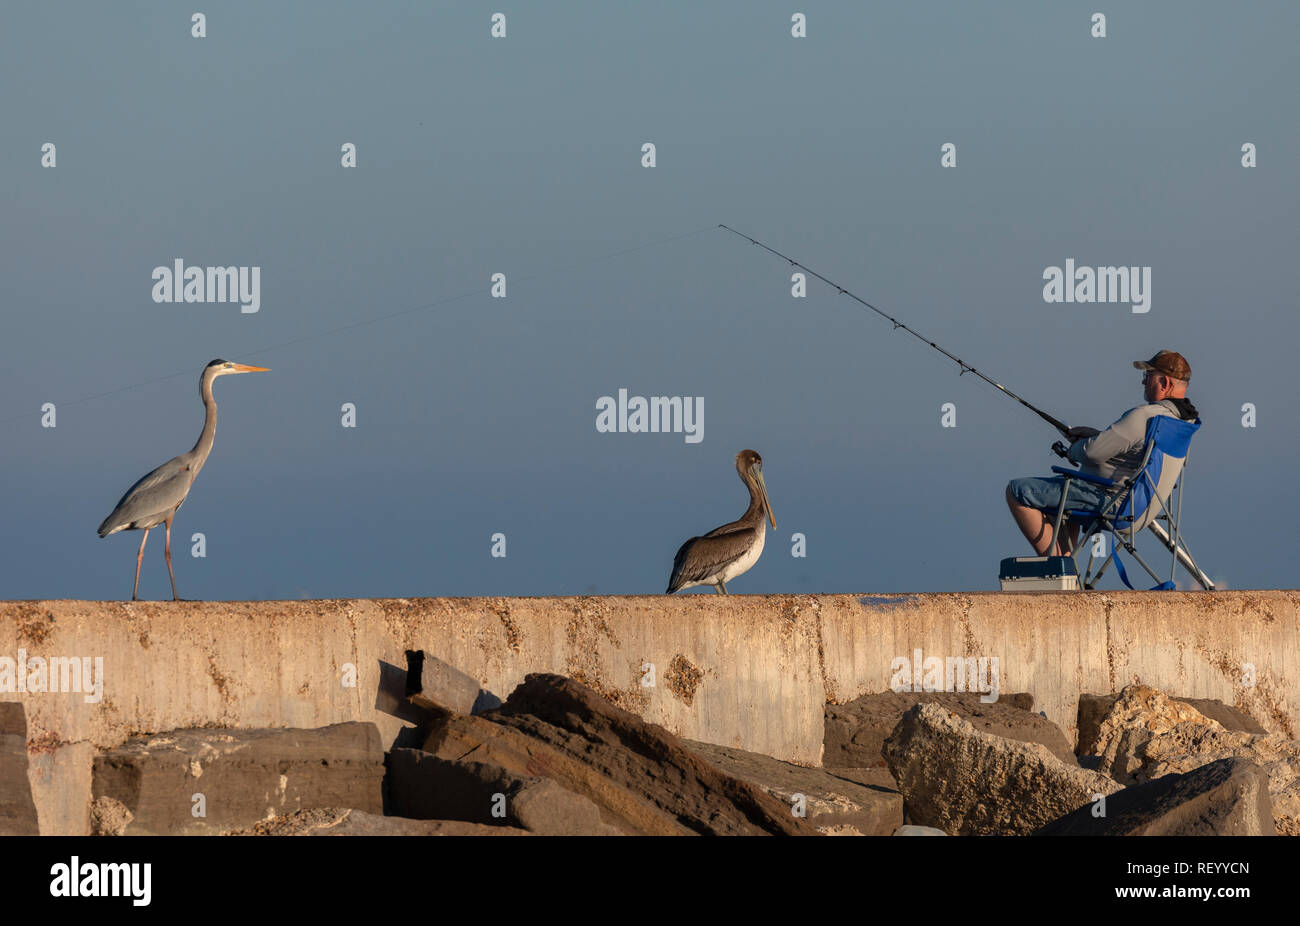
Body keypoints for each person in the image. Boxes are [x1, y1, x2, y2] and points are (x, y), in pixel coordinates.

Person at [1006, 350, 1199, 556]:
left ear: (1165, 384)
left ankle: (1058, 570)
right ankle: (1065, 570)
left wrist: (1074, 450)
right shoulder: (1183, 422)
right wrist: (1096, 435)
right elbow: (1139, 452)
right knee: (1064, 501)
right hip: (1145, 510)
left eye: (1147, 376)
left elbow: (1091, 453)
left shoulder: (1144, 416)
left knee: (1017, 491)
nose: (1143, 382)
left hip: (1114, 504)